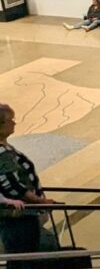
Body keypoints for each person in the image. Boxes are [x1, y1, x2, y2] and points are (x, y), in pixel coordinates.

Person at [0, 104, 58, 255]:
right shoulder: (2, 153)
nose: (14, 123)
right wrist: (41, 202)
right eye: (10, 120)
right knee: (29, 253)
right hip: (21, 216)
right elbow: (14, 187)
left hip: (21, 216)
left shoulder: (6, 149)